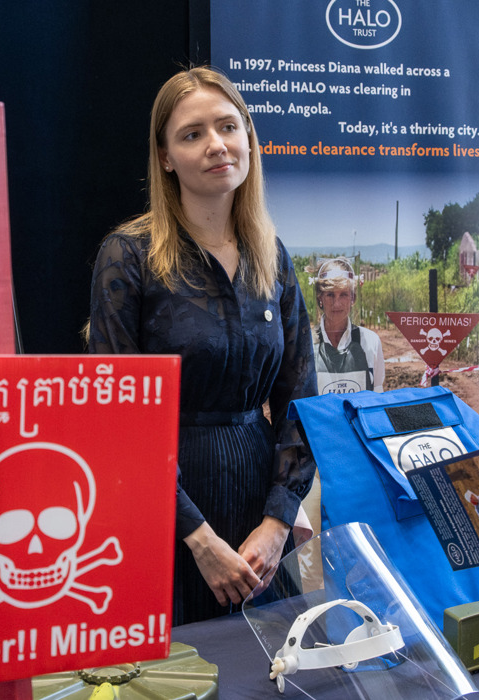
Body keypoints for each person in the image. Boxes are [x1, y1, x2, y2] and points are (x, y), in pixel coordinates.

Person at [87, 66, 317, 625]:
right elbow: (116, 416)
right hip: (162, 513)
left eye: (228, 127)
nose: (217, 145)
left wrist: (277, 522)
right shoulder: (128, 256)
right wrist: (196, 537)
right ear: (165, 157)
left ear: (248, 139)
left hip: (258, 518)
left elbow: (302, 404)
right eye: (192, 134)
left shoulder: (273, 256)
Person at [310, 257, 386, 394]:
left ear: (353, 298)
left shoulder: (370, 342)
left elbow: (377, 394)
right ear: (320, 298)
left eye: (343, 294)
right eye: (330, 295)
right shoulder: (307, 344)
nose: (337, 303)